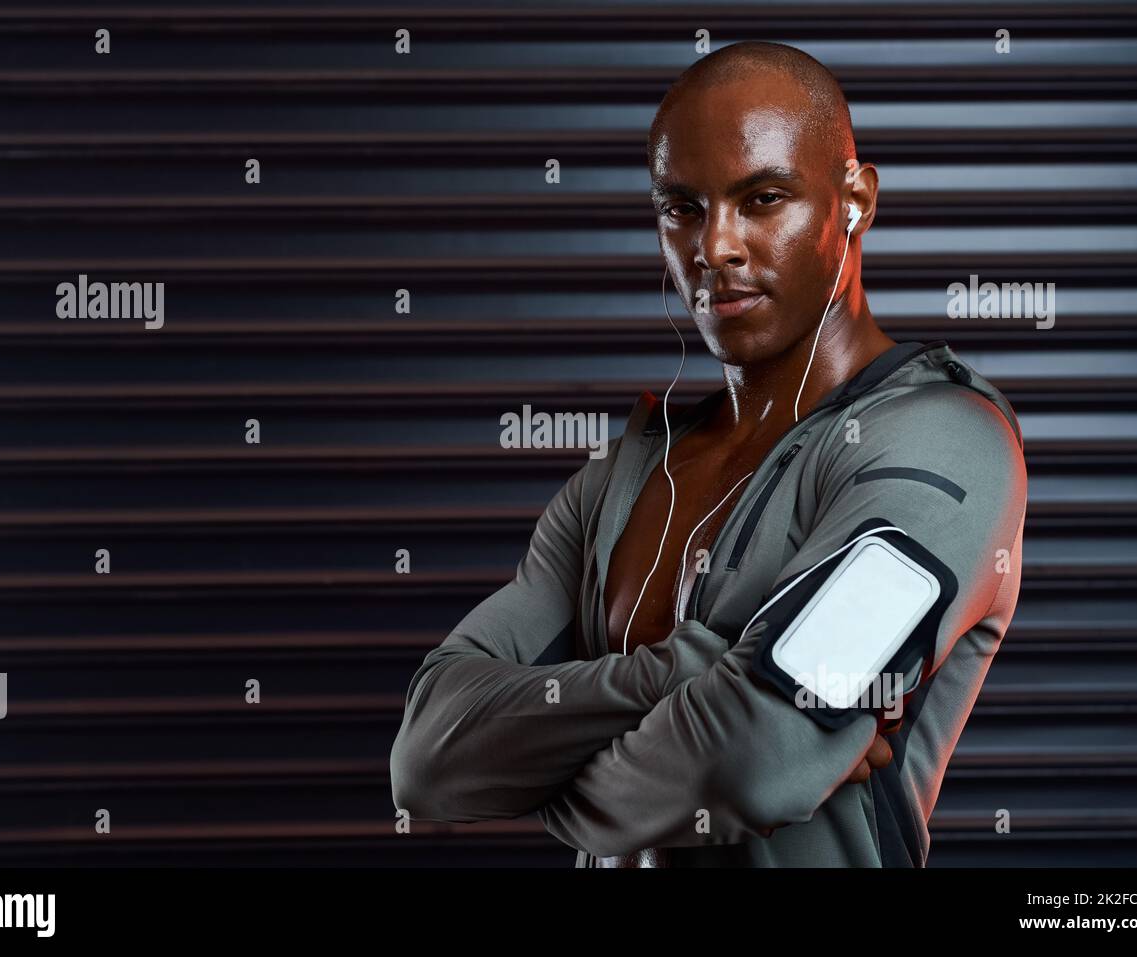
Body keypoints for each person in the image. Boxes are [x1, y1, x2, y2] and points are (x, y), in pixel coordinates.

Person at [389, 41, 1028, 867]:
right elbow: (428, 753)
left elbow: (752, 756)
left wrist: (541, 781)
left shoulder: (945, 438)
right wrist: (704, 668)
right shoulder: (625, 477)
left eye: (763, 199)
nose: (714, 247)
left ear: (855, 202)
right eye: (682, 208)